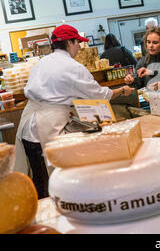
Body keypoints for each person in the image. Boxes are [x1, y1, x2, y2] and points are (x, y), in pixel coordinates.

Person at [15, 24, 134, 199]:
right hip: (45, 128)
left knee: (37, 178)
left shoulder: (42, 63)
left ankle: (40, 215)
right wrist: (122, 90)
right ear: (70, 42)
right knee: (54, 180)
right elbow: (100, 95)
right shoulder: (73, 67)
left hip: (27, 125)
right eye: (78, 42)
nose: (79, 47)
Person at [124, 27, 160, 91]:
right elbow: (138, 85)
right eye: (148, 42)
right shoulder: (143, 61)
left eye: (155, 43)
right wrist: (131, 81)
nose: (151, 46)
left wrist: (152, 73)